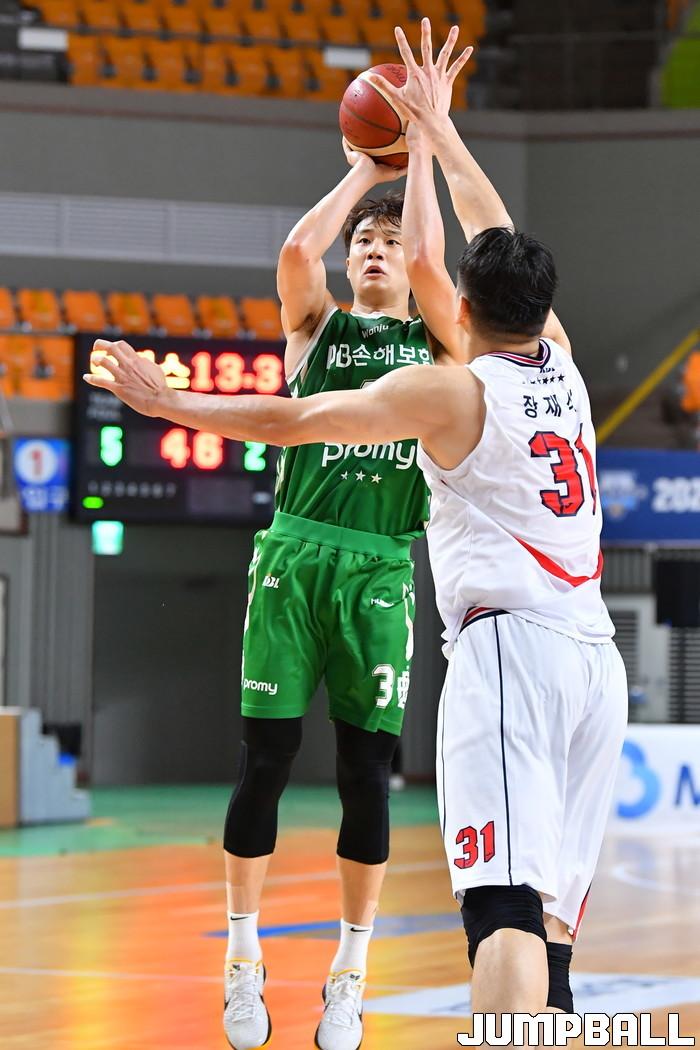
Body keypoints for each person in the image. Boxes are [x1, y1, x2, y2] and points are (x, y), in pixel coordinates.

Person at [85, 20, 627, 1028]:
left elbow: (292, 418)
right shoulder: (560, 359)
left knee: (501, 911)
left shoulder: (450, 389)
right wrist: (436, 133)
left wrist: (173, 404)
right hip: (595, 659)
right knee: (551, 923)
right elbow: (483, 227)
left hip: (510, 650)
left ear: (459, 304)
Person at [86, 45, 472, 1050]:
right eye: (367, 244)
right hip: (293, 557)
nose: (377, 251)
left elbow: (433, 263)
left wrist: (421, 162)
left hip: (381, 566)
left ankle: (351, 972)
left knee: (365, 774)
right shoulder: (318, 330)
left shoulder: (438, 348)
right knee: (264, 761)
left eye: (390, 242)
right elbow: (300, 251)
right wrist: (367, 167)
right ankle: (243, 957)